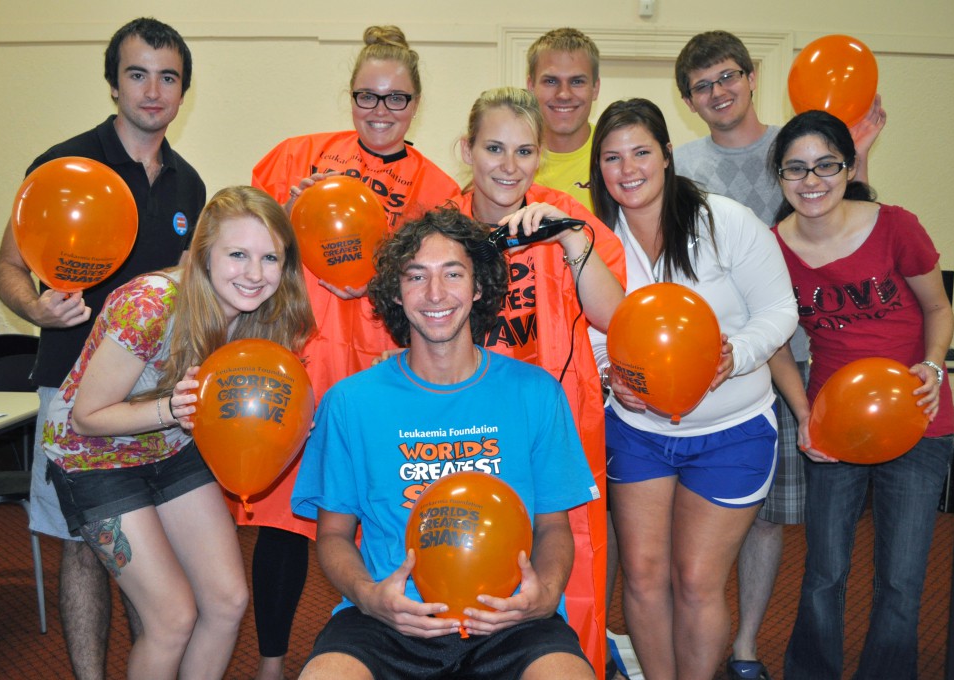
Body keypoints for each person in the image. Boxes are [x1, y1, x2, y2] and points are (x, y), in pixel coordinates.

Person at [291, 208, 598, 680]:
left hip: (506, 617)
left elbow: (553, 526)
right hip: (391, 620)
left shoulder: (535, 392)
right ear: (396, 292)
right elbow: (332, 536)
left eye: (453, 274)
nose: (435, 294)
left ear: (478, 288)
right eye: (417, 276)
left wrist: (547, 593)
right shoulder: (350, 402)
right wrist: (370, 597)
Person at [0, 17, 206, 680]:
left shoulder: (189, 185)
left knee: (156, 557)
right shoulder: (64, 163)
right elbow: (6, 268)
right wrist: (35, 307)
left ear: (182, 91)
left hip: (151, 400)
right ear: (114, 84)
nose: (152, 90)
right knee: (83, 547)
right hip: (73, 393)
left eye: (168, 77)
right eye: (137, 73)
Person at [247, 25, 460, 680]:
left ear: (416, 103)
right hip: (301, 357)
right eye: (367, 97)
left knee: (375, 519)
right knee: (284, 523)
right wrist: (283, 222)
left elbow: (442, 287)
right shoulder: (299, 158)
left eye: (396, 100)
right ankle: (271, 662)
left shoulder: (440, 188)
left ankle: (387, 649)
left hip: (379, 371)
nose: (380, 112)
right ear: (351, 97)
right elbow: (245, 246)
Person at [672, 30, 886, 679]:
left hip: (791, 359)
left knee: (767, 522)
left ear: (752, 75)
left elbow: (851, 221)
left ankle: (744, 650)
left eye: (728, 76)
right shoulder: (680, 164)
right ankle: (689, 642)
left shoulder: (797, 145)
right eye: (703, 85)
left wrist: (864, 154)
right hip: (705, 372)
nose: (718, 92)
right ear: (689, 98)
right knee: (695, 522)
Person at [40, 185, 314, 678]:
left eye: (270, 257)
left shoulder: (266, 314)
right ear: (204, 253)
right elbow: (87, 416)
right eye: (237, 254)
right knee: (171, 616)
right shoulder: (152, 303)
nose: (255, 275)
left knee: (227, 601)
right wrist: (175, 408)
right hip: (95, 457)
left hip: (171, 447)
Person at [588, 98, 798, 680]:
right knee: (646, 574)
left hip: (732, 433)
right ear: (598, 168)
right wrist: (613, 378)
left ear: (667, 155)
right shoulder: (598, 242)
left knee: (698, 581)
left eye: (640, 152)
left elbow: (780, 309)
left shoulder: (724, 221)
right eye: (611, 157)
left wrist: (737, 356)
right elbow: (596, 329)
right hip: (639, 433)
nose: (627, 169)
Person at [768, 111, 954, 680]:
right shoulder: (774, 248)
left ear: (848, 169)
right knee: (824, 571)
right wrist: (805, 417)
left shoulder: (896, 226)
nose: (811, 180)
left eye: (826, 165)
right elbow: (776, 344)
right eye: (795, 169)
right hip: (834, 425)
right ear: (779, 177)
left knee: (901, 578)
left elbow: (938, 309)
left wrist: (932, 365)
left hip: (919, 420)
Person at [450, 85, 626, 677]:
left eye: (525, 152)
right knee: (466, 557)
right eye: (494, 148)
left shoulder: (564, 217)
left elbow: (614, 317)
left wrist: (570, 237)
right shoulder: (439, 227)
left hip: (555, 425)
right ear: (467, 150)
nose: (509, 165)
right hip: (464, 427)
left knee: (562, 564)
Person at [526, 28, 601, 209]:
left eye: (577, 81)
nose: (564, 94)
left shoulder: (617, 157)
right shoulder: (509, 160)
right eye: (551, 81)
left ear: (595, 88)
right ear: (531, 87)